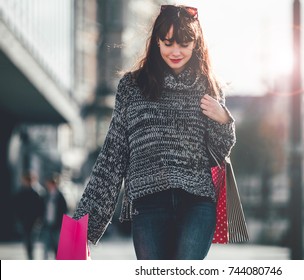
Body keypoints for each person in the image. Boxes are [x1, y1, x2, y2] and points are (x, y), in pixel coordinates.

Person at [73, 4, 236, 260]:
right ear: (157, 41)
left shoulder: (209, 86)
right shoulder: (132, 86)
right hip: (148, 203)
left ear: (196, 43)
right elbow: (112, 158)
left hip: (197, 203)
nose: (175, 51)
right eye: (168, 42)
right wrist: (82, 231)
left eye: (184, 43)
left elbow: (219, 151)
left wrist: (224, 120)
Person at [13, 171, 44, 260]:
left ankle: (31, 256)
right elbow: (16, 207)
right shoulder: (20, 193)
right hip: (24, 221)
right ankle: (30, 256)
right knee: (27, 240)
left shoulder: (36, 193)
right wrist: (18, 220)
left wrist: (39, 219)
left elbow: (40, 208)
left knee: (31, 239)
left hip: (34, 221)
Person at [42, 174, 68, 259]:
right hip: (47, 225)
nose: (47, 185)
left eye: (49, 183)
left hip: (57, 226)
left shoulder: (60, 196)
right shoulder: (46, 195)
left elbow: (64, 210)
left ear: (53, 184)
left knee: (56, 247)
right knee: (46, 248)